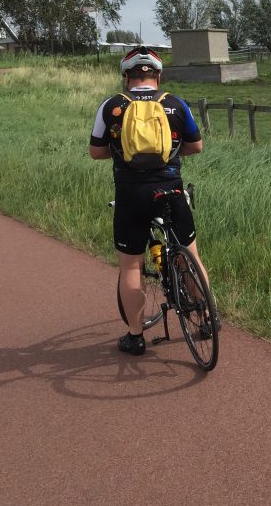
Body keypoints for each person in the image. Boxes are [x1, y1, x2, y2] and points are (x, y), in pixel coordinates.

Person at [89, 46, 212, 356]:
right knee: (190, 256)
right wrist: (168, 154)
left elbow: (96, 151)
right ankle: (206, 320)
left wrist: (123, 153)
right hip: (170, 189)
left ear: (126, 76)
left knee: (131, 265)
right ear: (158, 75)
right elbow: (196, 146)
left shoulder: (111, 106)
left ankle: (135, 336)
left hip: (131, 194)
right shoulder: (175, 104)